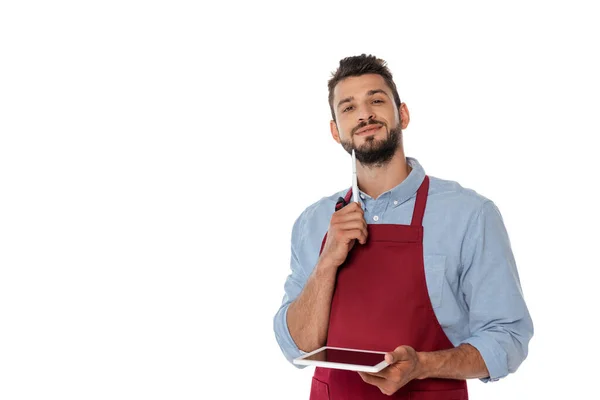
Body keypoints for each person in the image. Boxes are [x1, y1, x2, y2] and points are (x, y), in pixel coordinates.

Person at [273, 54, 533, 399]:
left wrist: (423, 365)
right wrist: (326, 262)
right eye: (348, 107)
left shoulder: (470, 214)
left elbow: (508, 338)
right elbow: (297, 346)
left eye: (376, 100)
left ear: (403, 114)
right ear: (336, 131)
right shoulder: (313, 222)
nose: (364, 114)